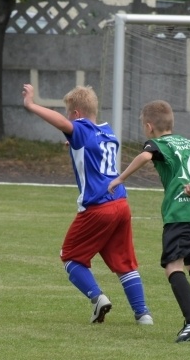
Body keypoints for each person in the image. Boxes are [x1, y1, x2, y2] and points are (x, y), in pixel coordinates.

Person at [22, 83, 152, 325]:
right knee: (125, 262)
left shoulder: (79, 128)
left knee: (70, 256)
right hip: (121, 204)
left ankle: (97, 297)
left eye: (69, 114)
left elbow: (64, 124)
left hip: (98, 207)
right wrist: (73, 142)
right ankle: (143, 314)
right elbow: (90, 146)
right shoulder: (108, 132)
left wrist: (31, 105)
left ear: (76, 114)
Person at [108, 100, 190, 343]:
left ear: (149, 126)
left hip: (181, 210)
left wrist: (120, 178)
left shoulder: (157, 144)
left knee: (173, 266)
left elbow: (145, 156)